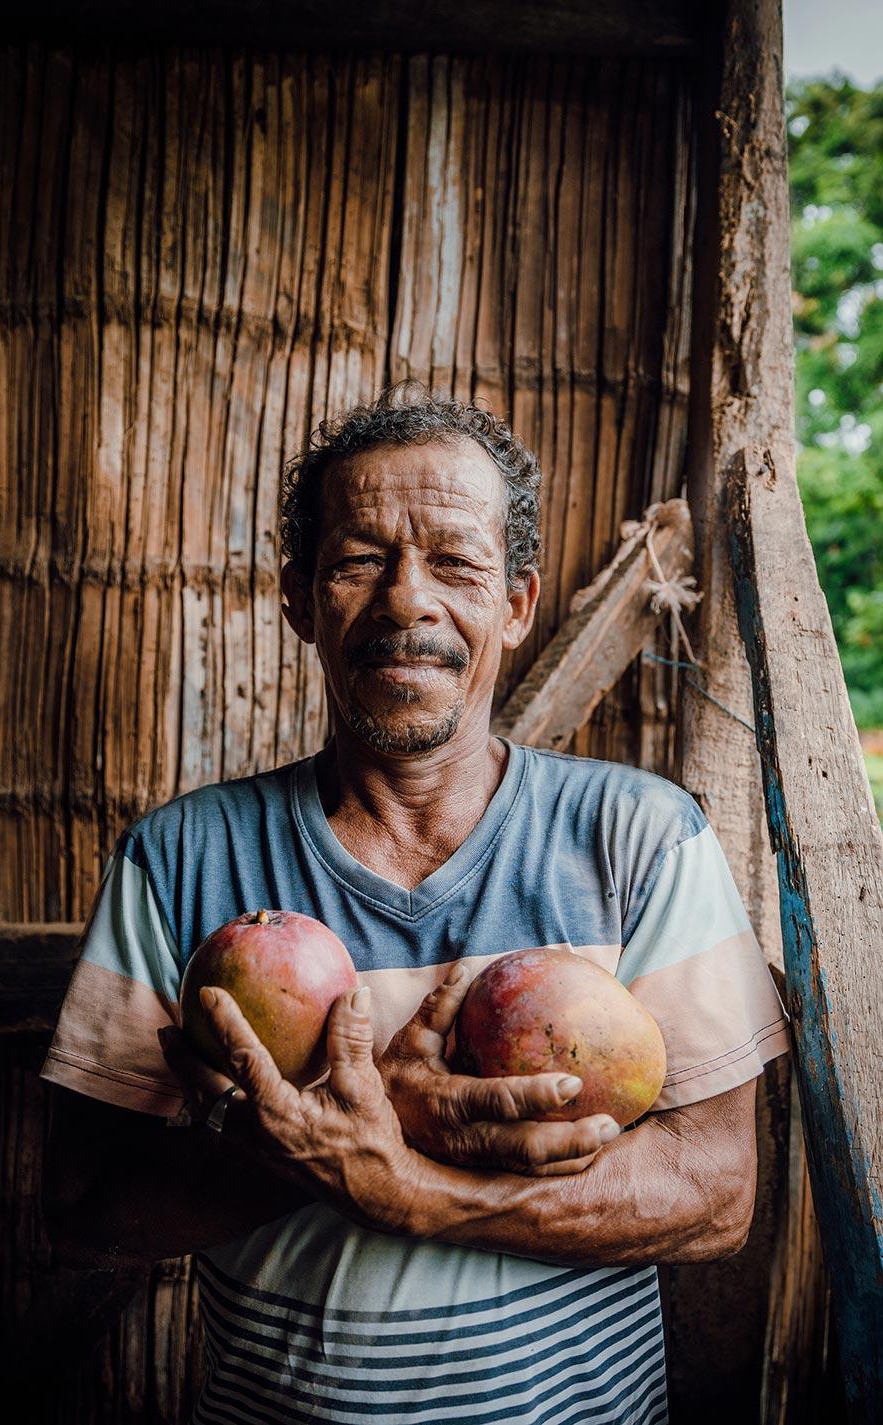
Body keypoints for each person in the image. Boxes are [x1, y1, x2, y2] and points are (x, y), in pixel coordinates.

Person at [41, 385, 790, 1425]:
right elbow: (83, 1206)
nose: (406, 601)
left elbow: (712, 1194)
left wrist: (413, 1187)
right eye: (357, 562)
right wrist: (356, 1129)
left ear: (515, 605)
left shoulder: (639, 840)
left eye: (454, 563)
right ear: (299, 597)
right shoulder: (180, 857)